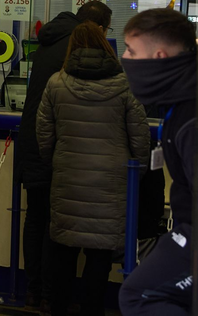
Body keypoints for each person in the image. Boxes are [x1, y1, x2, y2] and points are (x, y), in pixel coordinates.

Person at [37, 21, 149, 316]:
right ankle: (92, 310)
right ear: (104, 45)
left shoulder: (55, 83)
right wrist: (138, 171)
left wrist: (58, 162)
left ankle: (59, 308)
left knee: (63, 253)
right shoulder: (124, 85)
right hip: (110, 184)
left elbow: (44, 136)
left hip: (68, 180)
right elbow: (140, 137)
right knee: (99, 257)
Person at [14, 0, 113, 311]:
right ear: (97, 28)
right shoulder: (76, 49)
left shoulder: (48, 42)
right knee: (53, 226)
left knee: (36, 218)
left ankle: (34, 290)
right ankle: (48, 295)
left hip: (32, 141)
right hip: (58, 148)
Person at [119, 8, 197, 315]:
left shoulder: (191, 120)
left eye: (131, 51)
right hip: (186, 226)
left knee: (140, 294)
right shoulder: (179, 103)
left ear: (160, 57)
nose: (124, 58)